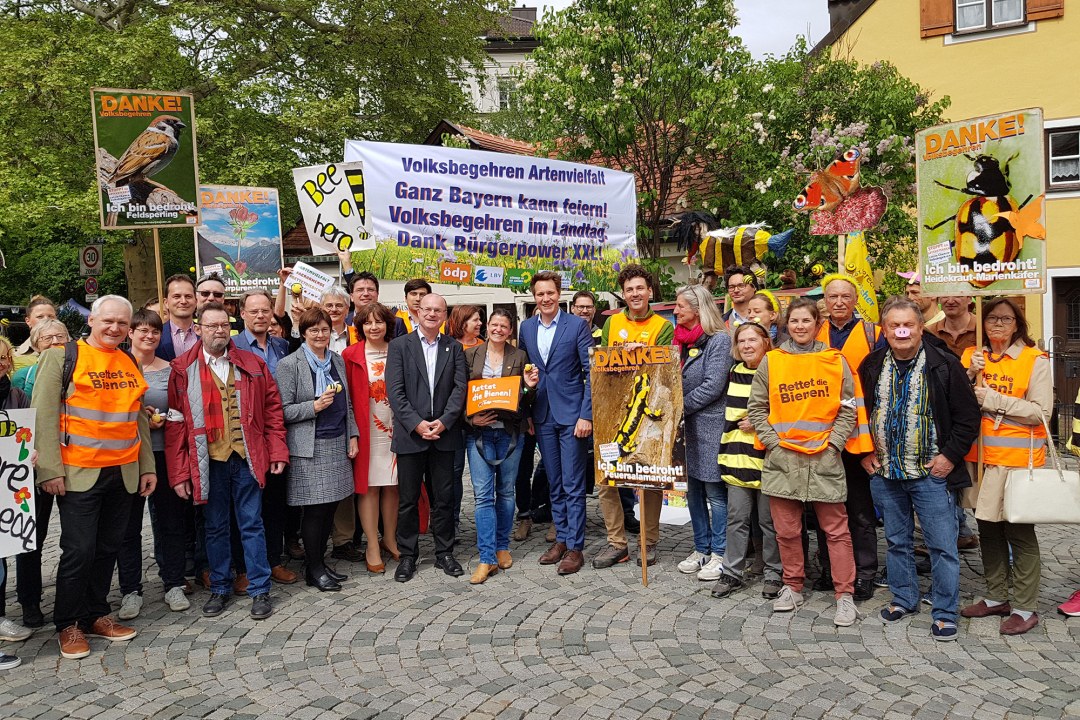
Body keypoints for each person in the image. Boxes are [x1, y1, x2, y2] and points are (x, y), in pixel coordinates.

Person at [33, 295, 156, 659]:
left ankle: (96, 613)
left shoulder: (129, 358)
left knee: (108, 547)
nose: (115, 328)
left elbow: (139, 418)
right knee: (79, 550)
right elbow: (43, 416)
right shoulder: (62, 357)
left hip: (124, 471)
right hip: (78, 472)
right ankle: (68, 623)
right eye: (109, 321)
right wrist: (50, 470)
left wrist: (147, 466)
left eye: (122, 323)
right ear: (92, 321)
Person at [860, 297, 980, 642]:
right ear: (885, 330)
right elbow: (858, 414)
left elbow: (968, 418)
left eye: (908, 325)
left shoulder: (944, 364)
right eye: (894, 325)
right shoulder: (871, 365)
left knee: (943, 547)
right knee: (897, 542)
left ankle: (944, 611)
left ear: (919, 327)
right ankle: (904, 598)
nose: (902, 331)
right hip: (886, 473)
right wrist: (864, 455)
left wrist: (949, 457)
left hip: (930, 474)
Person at [165, 302, 288, 620]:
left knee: (252, 524)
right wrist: (179, 473)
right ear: (199, 329)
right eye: (212, 326)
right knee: (215, 527)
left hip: (246, 457)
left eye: (224, 325)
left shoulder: (251, 363)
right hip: (209, 462)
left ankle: (260, 589)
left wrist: (276, 451)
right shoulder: (182, 368)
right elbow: (176, 424)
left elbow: (272, 411)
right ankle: (220, 587)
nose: (219, 331)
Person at [747, 297, 861, 627]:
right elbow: (757, 409)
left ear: (817, 324)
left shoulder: (834, 360)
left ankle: (844, 596)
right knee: (786, 531)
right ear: (786, 324)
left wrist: (835, 444)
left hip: (824, 458)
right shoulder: (772, 361)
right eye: (794, 321)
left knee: (836, 531)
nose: (800, 326)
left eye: (806, 321)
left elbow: (848, 408)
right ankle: (792, 587)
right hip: (784, 459)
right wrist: (774, 444)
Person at [959, 298, 1053, 636]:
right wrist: (969, 375)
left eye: (1006, 318)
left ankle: (1025, 606)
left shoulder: (1034, 359)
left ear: (1018, 324)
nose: (997, 324)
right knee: (987, 528)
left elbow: (1042, 411)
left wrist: (992, 399)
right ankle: (996, 596)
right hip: (981, 461)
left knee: (1019, 532)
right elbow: (955, 399)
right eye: (992, 318)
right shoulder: (972, 356)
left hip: (1017, 463)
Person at [594, 264, 674, 569]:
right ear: (623, 295)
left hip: (648, 414)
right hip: (615, 412)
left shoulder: (662, 326)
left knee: (650, 478)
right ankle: (617, 543)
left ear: (650, 291)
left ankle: (649, 541)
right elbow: (602, 364)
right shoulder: (612, 325)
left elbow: (665, 368)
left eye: (640, 288)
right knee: (607, 479)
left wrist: (644, 353)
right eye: (629, 290)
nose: (635, 294)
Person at [114, 309, 192, 619]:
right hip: (127, 455)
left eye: (154, 331)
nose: (149, 336)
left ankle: (173, 582)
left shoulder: (170, 369)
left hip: (163, 453)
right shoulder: (117, 367)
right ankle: (131, 590)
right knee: (128, 526)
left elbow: (180, 409)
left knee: (170, 521)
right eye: (142, 330)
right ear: (130, 333)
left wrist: (162, 420)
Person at [276, 307, 360, 592]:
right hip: (309, 448)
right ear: (303, 332)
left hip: (337, 443)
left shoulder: (336, 360)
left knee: (330, 508)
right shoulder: (290, 364)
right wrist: (313, 407)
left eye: (324, 329)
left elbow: (347, 404)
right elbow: (282, 410)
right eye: (314, 330)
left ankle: (321, 564)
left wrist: (353, 435)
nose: (320, 334)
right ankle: (313, 568)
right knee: (314, 511)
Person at [386, 293, 467, 581]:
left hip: (444, 435)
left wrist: (444, 422)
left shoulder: (454, 348)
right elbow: (395, 391)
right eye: (427, 309)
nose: (432, 314)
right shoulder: (399, 346)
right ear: (417, 313)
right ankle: (408, 555)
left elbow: (460, 390)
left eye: (438, 310)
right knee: (408, 500)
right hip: (411, 435)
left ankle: (444, 552)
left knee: (444, 498)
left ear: (445, 316)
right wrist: (417, 424)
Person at [519, 271, 593, 575]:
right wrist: (528, 411)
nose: (545, 299)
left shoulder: (576, 325)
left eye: (550, 293)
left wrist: (586, 414)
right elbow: (525, 372)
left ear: (559, 294)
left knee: (574, 483)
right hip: (543, 414)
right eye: (540, 294)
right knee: (554, 481)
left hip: (573, 415)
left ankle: (575, 546)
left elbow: (591, 373)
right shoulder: (525, 327)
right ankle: (561, 538)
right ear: (534, 297)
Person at [814, 275, 880, 601]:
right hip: (821, 438)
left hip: (858, 438)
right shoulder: (813, 333)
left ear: (856, 300)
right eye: (832, 296)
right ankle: (829, 570)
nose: (838, 302)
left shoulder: (873, 334)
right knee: (825, 508)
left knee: (860, 511)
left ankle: (865, 574)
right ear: (824, 301)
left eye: (845, 296)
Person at [464, 309, 536, 584]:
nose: (498, 329)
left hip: (509, 433)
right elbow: (459, 392)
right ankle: (486, 558)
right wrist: (470, 417)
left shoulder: (519, 357)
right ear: (488, 327)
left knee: (506, 492)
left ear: (510, 331)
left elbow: (527, 397)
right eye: (494, 324)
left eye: (504, 326)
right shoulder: (471, 355)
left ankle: (502, 545)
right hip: (479, 434)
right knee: (483, 495)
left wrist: (529, 388)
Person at [713, 322, 783, 600]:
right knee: (737, 518)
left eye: (752, 339)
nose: (747, 346)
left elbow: (790, 409)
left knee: (769, 522)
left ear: (766, 341)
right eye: (741, 341)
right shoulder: (734, 372)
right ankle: (731, 572)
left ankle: (774, 573)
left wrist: (762, 421)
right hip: (737, 455)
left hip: (768, 458)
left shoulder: (777, 370)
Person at [233, 289, 297, 584]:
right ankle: (244, 568)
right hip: (246, 435)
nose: (260, 316)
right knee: (245, 507)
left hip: (278, 432)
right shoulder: (232, 347)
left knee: (274, 503)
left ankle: (274, 560)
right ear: (242, 314)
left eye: (265, 311)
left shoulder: (281, 345)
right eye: (254, 311)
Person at [672, 285, 731, 580]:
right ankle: (701, 548)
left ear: (698, 309)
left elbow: (713, 385)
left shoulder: (718, 341)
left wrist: (679, 407)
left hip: (709, 425)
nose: (676, 310)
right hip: (688, 429)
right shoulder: (680, 341)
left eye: (681, 306)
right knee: (693, 491)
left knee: (714, 492)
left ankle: (720, 552)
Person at [342, 303, 401, 573]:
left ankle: (389, 537)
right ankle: (372, 544)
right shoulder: (350, 354)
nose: (374, 327)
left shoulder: (400, 350)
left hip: (397, 427)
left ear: (388, 324)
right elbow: (346, 401)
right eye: (368, 323)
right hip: (367, 429)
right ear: (360, 327)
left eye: (379, 322)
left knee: (393, 484)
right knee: (369, 486)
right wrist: (352, 433)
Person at [571, 290, 636, 528]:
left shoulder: (603, 336)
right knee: (579, 464)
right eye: (580, 307)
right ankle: (573, 517)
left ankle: (627, 512)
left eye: (589, 307)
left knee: (616, 460)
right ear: (573, 309)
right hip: (580, 407)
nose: (584, 311)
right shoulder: (567, 333)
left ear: (594, 310)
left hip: (609, 409)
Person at [925, 295, 980, 552]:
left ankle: (1004, 556)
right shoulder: (928, 332)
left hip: (983, 424)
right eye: (944, 294)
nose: (950, 300)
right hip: (942, 423)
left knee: (982, 495)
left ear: (969, 297)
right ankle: (951, 539)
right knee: (948, 483)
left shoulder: (984, 330)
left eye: (956, 293)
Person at [0, 337, 34, 652]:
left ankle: (0, 616)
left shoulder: (17, 396)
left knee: (3, 550)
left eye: (2, 358)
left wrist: (29, 453)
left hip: (7, 489)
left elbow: (25, 438)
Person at [12, 319, 69, 398]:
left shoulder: (81, 370)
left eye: (60, 336)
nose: (55, 341)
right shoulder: (23, 376)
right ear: (36, 345)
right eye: (47, 338)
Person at [157, 274, 199, 361]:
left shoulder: (206, 333)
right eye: (177, 296)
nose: (183, 301)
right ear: (166, 303)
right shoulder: (156, 336)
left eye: (188, 296)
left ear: (196, 302)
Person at [13, 295, 58, 371]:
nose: (46, 320)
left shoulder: (72, 350)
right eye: (40, 317)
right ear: (28, 321)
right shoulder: (15, 356)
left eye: (50, 316)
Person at [722, 265, 757, 330]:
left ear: (754, 287)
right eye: (731, 287)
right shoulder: (721, 323)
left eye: (741, 286)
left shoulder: (767, 317)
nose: (736, 290)